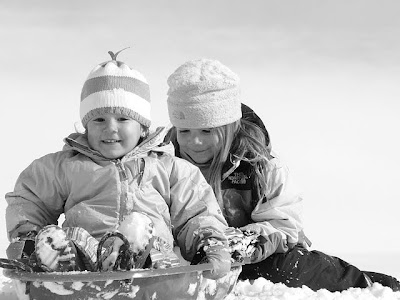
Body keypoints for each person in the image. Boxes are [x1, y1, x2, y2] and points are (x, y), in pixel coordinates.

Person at [164, 58, 400, 291]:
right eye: (184, 131)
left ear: (230, 126)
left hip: (256, 257)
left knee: (289, 268)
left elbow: (284, 224)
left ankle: (371, 286)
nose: (195, 141)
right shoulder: (164, 164)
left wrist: (243, 242)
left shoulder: (258, 166)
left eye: (207, 130)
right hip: (192, 257)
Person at [4, 50, 231, 280]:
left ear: (142, 127)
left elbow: (197, 211)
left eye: (123, 119)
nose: (110, 128)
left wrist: (209, 243)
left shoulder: (168, 168)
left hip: (152, 258)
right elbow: (30, 199)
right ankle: (61, 265)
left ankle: (130, 258)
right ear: (86, 127)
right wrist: (29, 239)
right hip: (86, 262)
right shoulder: (67, 166)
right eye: (99, 119)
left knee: (140, 227)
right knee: (70, 237)